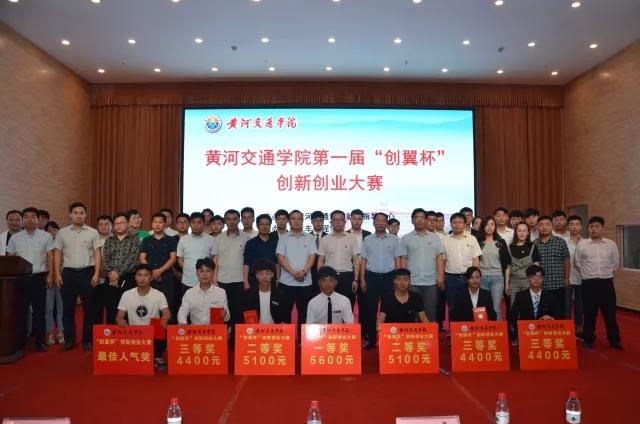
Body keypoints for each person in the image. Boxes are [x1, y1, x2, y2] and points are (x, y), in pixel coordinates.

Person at [53, 202, 101, 352]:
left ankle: (87, 340)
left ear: (85, 215)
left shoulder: (93, 232)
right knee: (67, 309)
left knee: (89, 309)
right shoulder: (62, 233)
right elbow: (58, 253)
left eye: (81, 213)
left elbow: (97, 254)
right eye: (75, 213)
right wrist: (57, 274)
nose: (78, 215)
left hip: (88, 273)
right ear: (70, 215)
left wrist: (97, 273)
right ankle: (70, 340)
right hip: (68, 273)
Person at [7, 207, 55, 352]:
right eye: (26, 217)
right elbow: (11, 258)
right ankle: (21, 343)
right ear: (23, 220)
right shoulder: (15, 238)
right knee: (21, 312)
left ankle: (40, 342)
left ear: (38, 219)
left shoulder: (46, 236)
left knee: (40, 312)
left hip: (39, 278)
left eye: (33, 216)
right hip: (21, 279)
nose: (30, 219)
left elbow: (50, 256)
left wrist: (50, 274)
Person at [574, 216, 623, 350]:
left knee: (610, 315)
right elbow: (577, 263)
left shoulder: (611, 244)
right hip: (588, 284)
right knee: (589, 314)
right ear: (588, 228)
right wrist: (589, 274)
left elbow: (615, 262)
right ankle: (588, 340)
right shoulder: (582, 244)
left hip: (606, 284)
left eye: (597, 227)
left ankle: (614, 340)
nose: (594, 229)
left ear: (602, 228)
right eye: (591, 227)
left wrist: (605, 273)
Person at [116, 264, 171, 370]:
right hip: (134, 334)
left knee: (166, 327)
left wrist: (165, 318)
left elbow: (167, 313)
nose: (142, 278)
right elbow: (118, 317)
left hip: (152, 334)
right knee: (119, 329)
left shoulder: (159, 295)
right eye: (139, 275)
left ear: (151, 278)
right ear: (135, 277)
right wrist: (120, 321)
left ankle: (157, 356)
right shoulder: (127, 294)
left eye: (146, 275)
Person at [360, 212, 401, 347]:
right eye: (378, 220)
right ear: (373, 222)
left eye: (383, 221)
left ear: (386, 224)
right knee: (370, 309)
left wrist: (398, 278)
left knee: (389, 308)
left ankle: (388, 339)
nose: (380, 223)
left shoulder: (394, 239)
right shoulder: (367, 239)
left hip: (389, 278)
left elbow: (397, 259)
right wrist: (362, 279)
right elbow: (363, 260)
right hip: (371, 277)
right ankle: (371, 339)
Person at [400, 208, 445, 324]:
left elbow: (439, 258)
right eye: (416, 217)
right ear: (412, 220)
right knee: (412, 314)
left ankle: (431, 335)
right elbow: (403, 259)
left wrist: (440, 276)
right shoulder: (405, 238)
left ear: (426, 220)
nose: (419, 220)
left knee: (430, 313)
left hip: (431, 282)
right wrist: (403, 280)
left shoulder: (435, 237)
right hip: (412, 282)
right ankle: (413, 335)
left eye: (422, 217)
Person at [276, 209, 317, 325]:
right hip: (286, 282)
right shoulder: (283, 237)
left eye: (299, 219)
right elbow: (281, 258)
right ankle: (286, 335)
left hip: (305, 282)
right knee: (284, 313)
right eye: (293, 219)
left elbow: (312, 257)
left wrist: (304, 272)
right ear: (289, 221)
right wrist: (293, 273)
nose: (296, 221)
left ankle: (302, 336)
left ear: (303, 221)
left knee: (304, 314)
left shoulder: (310, 237)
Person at [212, 209, 251, 327]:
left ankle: (235, 337)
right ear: (225, 221)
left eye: (234, 219)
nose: (232, 222)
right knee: (221, 312)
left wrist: (246, 281)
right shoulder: (219, 238)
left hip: (239, 281)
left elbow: (247, 262)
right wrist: (214, 280)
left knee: (237, 313)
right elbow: (215, 260)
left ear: (239, 220)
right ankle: (223, 337)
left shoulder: (246, 238)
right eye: (228, 219)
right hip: (222, 281)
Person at [102, 212, 140, 324]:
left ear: (128, 224)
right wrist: (111, 274)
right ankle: (111, 332)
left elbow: (132, 260)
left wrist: (118, 274)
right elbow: (106, 259)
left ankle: (127, 333)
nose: (119, 225)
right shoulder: (109, 240)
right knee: (110, 307)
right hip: (110, 278)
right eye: (116, 223)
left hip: (128, 278)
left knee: (128, 308)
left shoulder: (134, 240)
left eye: (122, 223)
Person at [140, 212, 178, 322]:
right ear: (151, 224)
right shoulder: (146, 240)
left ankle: (166, 332)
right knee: (150, 306)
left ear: (165, 224)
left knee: (168, 305)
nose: (157, 224)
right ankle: (151, 330)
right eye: (155, 222)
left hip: (167, 277)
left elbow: (173, 259)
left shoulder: (171, 240)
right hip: (150, 278)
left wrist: (159, 271)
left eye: (160, 222)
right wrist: (152, 272)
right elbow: (142, 258)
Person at [443, 212, 482, 320]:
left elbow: (475, 259)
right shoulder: (445, 240)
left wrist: (476, 278)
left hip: (468, 278)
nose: (457, 225)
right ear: (451, 224)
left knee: (470, 306)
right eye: (454, 222)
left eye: (460, 222)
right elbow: (443, 260)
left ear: (465, 224)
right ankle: (454, 329)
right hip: (451, 278)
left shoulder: (472, 239)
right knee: (452, 307)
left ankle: (468, 328)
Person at [317, 210, 360, 307]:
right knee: (329, 306)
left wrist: (356, 280)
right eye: (335, 220)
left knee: (348, 306)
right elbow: (320, 261)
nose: (338, 222)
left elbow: (356, 260)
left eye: (341, 219)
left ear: (345, 222)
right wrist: (320, 278)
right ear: (331, 222)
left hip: (347, 277)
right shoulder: (325, 239)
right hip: (329, 277)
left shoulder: (352, 238)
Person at [509, 265, 561, 340]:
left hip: (544, 332)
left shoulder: (550, 296)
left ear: (543, 279)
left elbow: (559, 315)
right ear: (528, 279)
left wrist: (551, 318)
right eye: (533, 277)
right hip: (526, 332)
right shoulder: (520, 296)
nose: (536, 280)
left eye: (539, 277)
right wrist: (519, 329)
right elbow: (513, 316)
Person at [176, 212, 215, 304]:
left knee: (205, 307)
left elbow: (214, 259)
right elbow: (180, 259)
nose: (196, 225)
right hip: (187, 281)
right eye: (193, 222)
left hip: (206, 281)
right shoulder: (183, 240)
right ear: (190, 224)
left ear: (204, 223)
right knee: (188, 307)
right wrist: (187, 269)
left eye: (199, 222)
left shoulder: (211, 239)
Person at [535, 216, 570, 318]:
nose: (544, 227)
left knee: (559, 313)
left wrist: (566, 278)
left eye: (547, 224)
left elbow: (566, 260)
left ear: (552, 226)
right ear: (537, 227)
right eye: (541, 225)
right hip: (540, 285)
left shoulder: (560, 242)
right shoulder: (534, 244)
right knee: (541, 314)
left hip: (557, 284)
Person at [177, 258, 230, 325]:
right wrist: (183, 323)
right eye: (201, 271)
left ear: (213, 273)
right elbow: (182, 311)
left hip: (214, 330)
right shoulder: (189, 293)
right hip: (196, 330)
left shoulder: (221, 292)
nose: (205, 274)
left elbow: (227, 316)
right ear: (197, 273)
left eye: (208, 271)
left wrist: (225, 314)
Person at [478, 217, 510, 320]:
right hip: (482, 278)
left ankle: (497, 329)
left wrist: (507, 283)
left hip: (497, 277)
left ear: (495, 226)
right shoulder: (479, 242)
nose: (489, 227)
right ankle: (483, 329)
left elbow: (507, 264)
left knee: (496, 308)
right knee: (482, 308)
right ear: (483, 227)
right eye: (487, 224)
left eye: (492, 224)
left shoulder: (500, 242)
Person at [505, 223, 541, 306]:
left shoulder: (532, 246)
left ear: (528, 232)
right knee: (514, 306)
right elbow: (508, 267)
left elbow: (536, 265)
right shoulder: (510, 247)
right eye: (519, 231)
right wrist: (506, 283)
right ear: (516, 232)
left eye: (524, 231)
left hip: (528, 281)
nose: (522, 233)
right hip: (513, 282)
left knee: (528, 306)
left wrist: (535, 281)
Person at [242, 259, 286, 324]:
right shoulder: (248, 294)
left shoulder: (280, 294)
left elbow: (285, 318)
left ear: (272, 275)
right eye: (261, 274)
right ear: (256, 276)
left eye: (267, 273)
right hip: (255, 329)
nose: (264, 277)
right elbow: (244, 318)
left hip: (275, 329)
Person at [243, 213, 279, 290]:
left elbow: (277, 263)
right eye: (262, 224)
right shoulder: (250, 243)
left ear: (270, 225)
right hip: (254, 279)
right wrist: (245, 282)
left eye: (267, 224)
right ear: (257, 226)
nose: (264, 227)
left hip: (271, 279)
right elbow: (246, 264)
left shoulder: (276, 243)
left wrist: (277, 279)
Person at [44, 221, 64, 345]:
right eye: (49, 231)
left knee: (61, 307)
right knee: (49, 307)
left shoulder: (62, 244)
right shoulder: (44, 244)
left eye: (54, 230)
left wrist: (59, 274)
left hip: (62, 279)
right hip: (49, 279)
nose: (52, 233)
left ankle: (61, 331)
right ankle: (50, 332)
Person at [565, 215, 584, 338]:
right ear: (568, 227)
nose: (574, 227)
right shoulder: (563, 241)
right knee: (566, 305)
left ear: (581, 226)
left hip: (582, 278)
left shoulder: (586, 242)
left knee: (580, 305)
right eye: (572, 224)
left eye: (577, 224)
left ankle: (578, 328)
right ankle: (566, 328)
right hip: (567, 278)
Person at [93, 215, 113, 325]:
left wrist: (108, 272)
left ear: (112, 226)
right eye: (101, 225)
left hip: (112, 278)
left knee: (111, 308)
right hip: (96, 278)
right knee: (96, 308)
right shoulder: (93, 240)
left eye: (107, 224)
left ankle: (111, 331)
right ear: (97, 226)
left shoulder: (116, 240)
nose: (104, 227)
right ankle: (98, 333)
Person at [309, 210, 327, 292]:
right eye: (316, 220)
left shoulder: (328, 237)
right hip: (309, 272)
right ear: (312, 222)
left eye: (320, 220)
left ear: (323, 222)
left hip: (325, 271)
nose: (318, 223)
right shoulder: (306, 237)